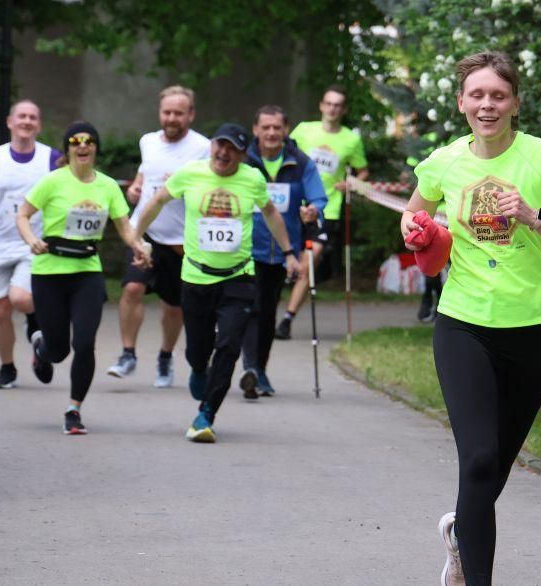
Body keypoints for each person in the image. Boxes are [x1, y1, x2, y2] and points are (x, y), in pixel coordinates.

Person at [400, 51, 541, 585]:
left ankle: (460, 535)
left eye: (498, 95)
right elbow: (413, 213)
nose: (487, 105)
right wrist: (418, 231)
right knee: (480, 459)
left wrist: (534, 218)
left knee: (492, 469)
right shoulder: (444, 161)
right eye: (477, 95)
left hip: (532, 332)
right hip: (463, 325)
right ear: (461, 102)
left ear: (515, 103)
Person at [134, 123, 300, 443]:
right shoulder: (190, 173)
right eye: (219, 145)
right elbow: (156, 201)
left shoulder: (252, 178)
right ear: (211, 146)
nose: (224, 152)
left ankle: (206, 414)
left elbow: (270, 212)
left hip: (238, 277)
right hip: (196, 276)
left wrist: (289, 253)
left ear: (242, 155)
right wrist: (136, 238)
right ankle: (199, 369)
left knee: (228, 346)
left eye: (232, 149)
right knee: (198, 352)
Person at [16, 122, 151, 434]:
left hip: (87, 272)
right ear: (68, 149)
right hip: (49, 273)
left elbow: (124, 226)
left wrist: (138, 247)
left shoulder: (107, 186)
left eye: (89, 141)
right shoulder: (52, 181)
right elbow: (22, 215)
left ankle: (74, 409)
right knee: (59, 350)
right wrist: (31, 240)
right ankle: (41, 349)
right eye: (75, 141)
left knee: (85, 342)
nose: (83, 146)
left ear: (95, 148)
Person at [107, 85, 210, 387]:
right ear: (159, 113)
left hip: (180, 240)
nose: (172, 118)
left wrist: (183, 186)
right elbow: (145, 172)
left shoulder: (203, 147)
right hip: (144, 232)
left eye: (179, 113)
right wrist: (135, 188)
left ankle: (165, 356)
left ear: (191, 114)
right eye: (167, 112)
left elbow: (210, 186)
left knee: (174, 306)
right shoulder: (148, 141)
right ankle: (128, 354)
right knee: (132, 289)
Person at [240, 105, 326, 399]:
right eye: (265, 127)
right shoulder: (244, 159)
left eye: (277, 127)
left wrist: (313, 210)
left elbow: (318, 198)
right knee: (251, 307)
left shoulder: (300, 162)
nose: (271, 133)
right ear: (256, 129)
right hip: (246, 248)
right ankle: (250, 368)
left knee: (266, 312)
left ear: (285, 130)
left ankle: (258, 370)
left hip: (282, 251)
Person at [275, 85, 368, 339]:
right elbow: (284, 153)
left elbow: (362, 171)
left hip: (328, 209)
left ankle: (287, 319)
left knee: (309, 263)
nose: (332, 109)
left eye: (337, 105)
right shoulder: (304, 130)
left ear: (344, 110)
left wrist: (351, 183)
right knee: (283, 260)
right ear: (321, 105)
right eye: (329, 103)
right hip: (294, 205)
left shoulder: (351, 139)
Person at [0, 100, 62, 389]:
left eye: (33, 117)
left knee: (20, 298)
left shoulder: (51, 159)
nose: (27, 121)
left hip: (33, 243)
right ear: (10, 122)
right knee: (0, 312)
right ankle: (8, 368)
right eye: (22, 116)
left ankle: (34, 325)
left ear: (39, 124)